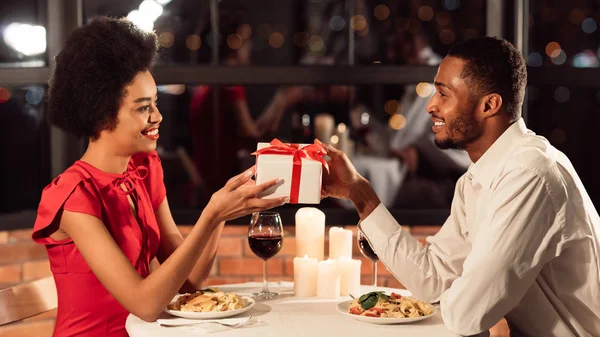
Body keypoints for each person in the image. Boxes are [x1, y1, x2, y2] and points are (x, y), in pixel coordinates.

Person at [321, 36, 600, 336]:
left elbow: (467, 313)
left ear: (489, 105)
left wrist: (465, 292)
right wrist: (359, 193)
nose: (431, 106)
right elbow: (433, 279)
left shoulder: (531, 174)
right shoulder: (475, 179)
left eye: (443, 94)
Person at [31, 17, 286, 337]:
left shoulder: (144, 169)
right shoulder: (72, 196)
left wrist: (220, 216)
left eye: (155, 103)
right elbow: (146, 303)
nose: (157, 116)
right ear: (101, 113)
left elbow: (189, 281)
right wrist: (211, 215)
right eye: (142, 108)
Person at [189, 2, 311, 194]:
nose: (250, 47)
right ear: (233, 45)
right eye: (245, 40)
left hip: (205, 172)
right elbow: (253, 138)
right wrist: (281, 102)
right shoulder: (229, 86)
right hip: (222, 179)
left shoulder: (211, 81)